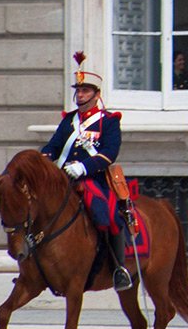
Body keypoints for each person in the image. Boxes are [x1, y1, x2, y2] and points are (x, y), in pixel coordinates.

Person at [40, 57, 133, 290]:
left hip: (92, 179)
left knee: (107, 216)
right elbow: (53, 146)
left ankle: (118, 268)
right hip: (63, 179)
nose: (80, 95)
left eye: (85, 90)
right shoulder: (69, 121)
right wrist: (43, 159)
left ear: (96, 93)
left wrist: (84, 167)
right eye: (78, 90)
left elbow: (110, 153)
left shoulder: (109, 121)